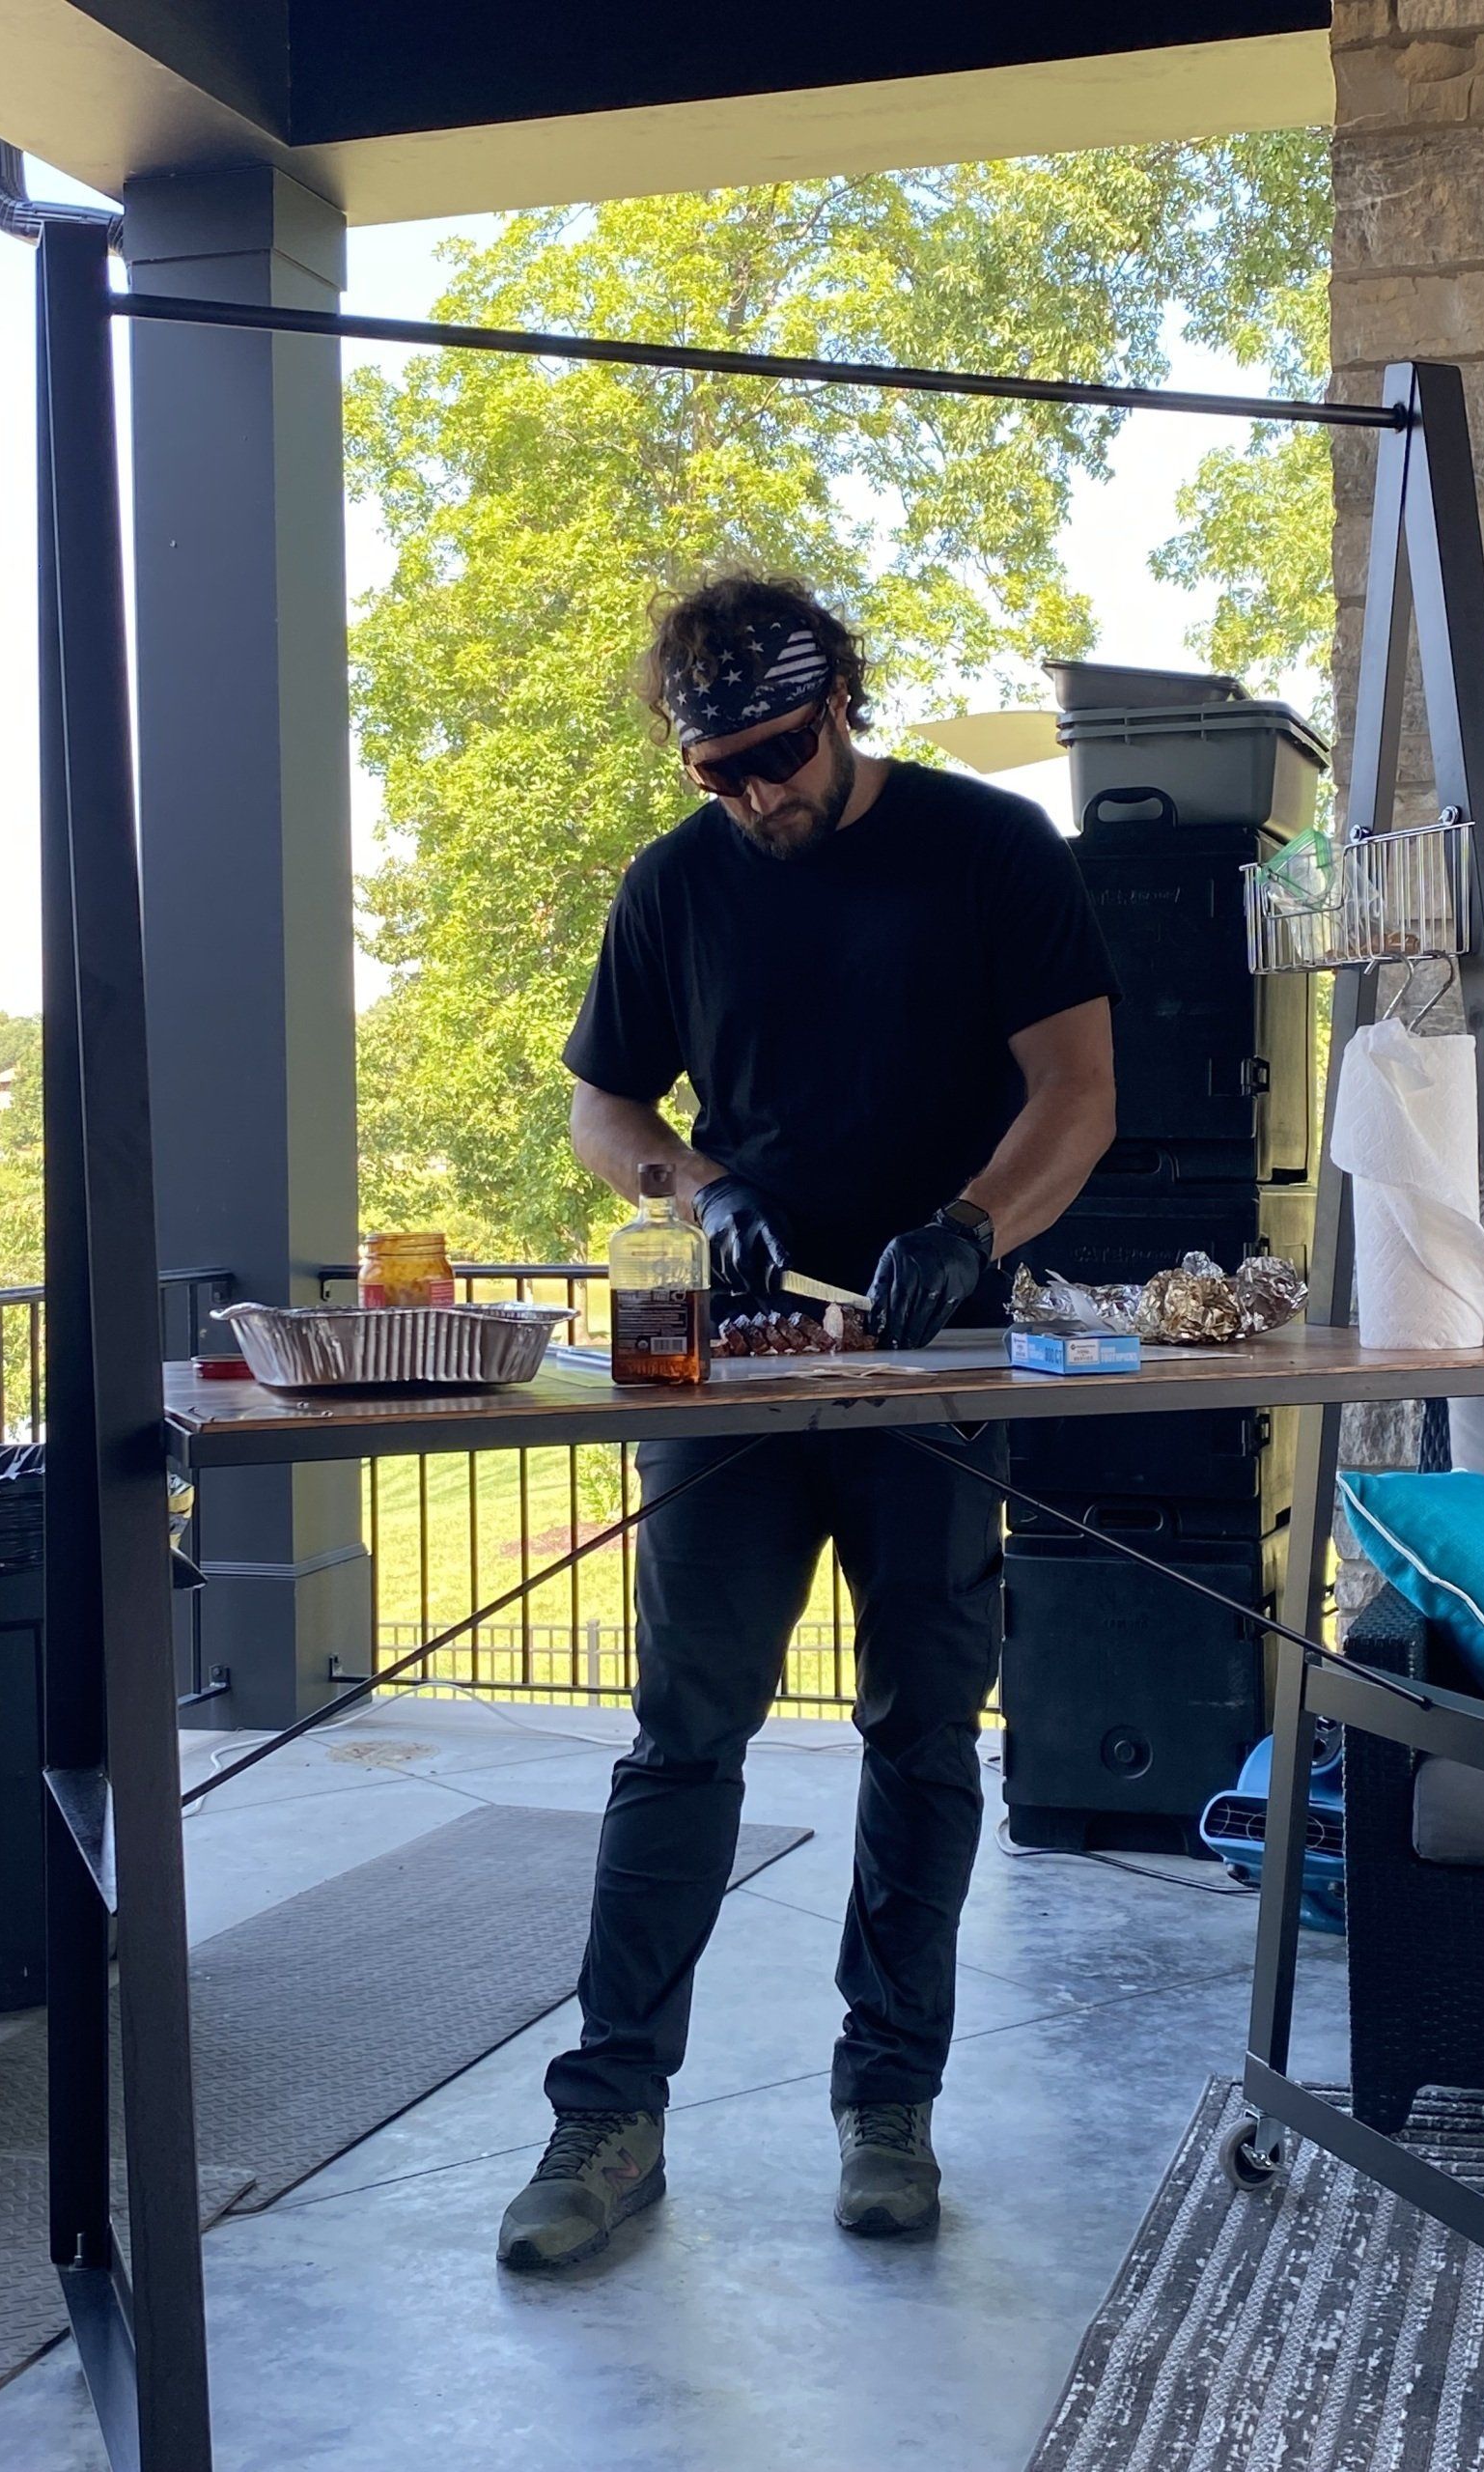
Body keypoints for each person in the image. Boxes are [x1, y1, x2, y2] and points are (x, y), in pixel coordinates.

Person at [497, 572, 1117, 2271]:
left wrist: (973, 1227)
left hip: (932, 1359)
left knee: (923, 1735)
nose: (757, 793)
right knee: (681, 1736)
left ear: (840, 701)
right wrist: (697, 1193)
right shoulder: (676, 888)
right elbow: (602, 1102)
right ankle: (607, 2120)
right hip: (738, 1371)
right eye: (720, 770)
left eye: (776, 752)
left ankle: (887, 2104)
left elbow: (1080, 1088)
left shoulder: (991, 850)